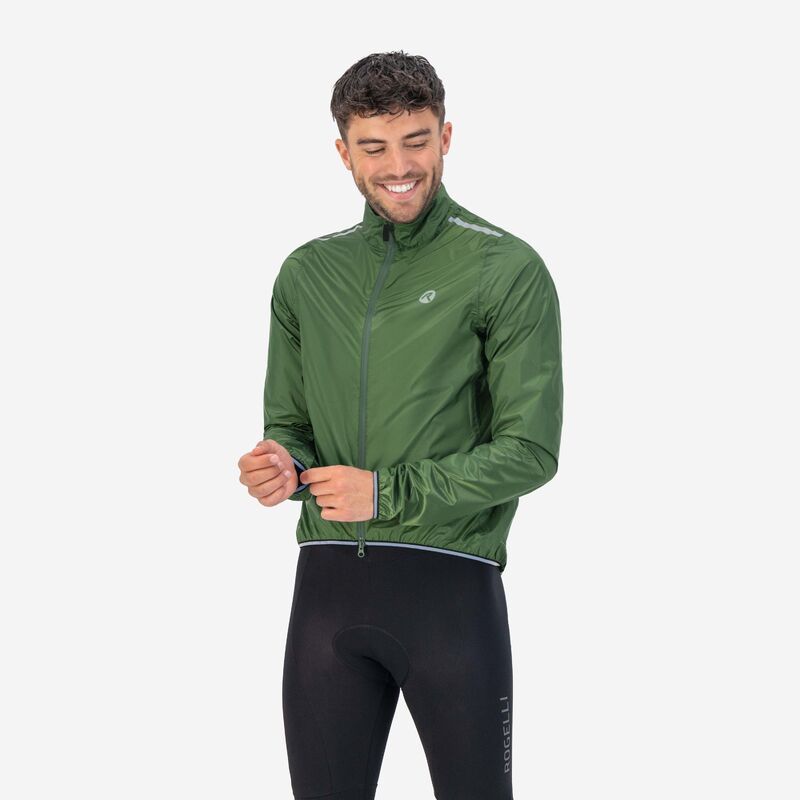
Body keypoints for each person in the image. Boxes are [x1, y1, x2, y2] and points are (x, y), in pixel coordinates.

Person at [237, 50, 563, 800]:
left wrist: (385, 492)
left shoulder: (504, 268)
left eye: (416, 140)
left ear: (445, 136)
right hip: (325, 597)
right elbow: (290, 423)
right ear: (343, 151)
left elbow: (531, 451)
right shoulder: (307, 274)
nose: (399, 166)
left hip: (450, 596)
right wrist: (282, 465)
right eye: (374, 147)